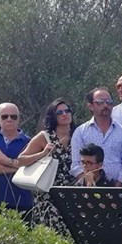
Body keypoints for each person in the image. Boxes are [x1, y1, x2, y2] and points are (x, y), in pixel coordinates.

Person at [17, 98, 76, 236]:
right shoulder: (45, 137)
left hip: (72, 195)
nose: (64, 114)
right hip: (49, 195)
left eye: (67, 111)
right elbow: (21, 160)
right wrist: (43, 153)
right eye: (59, 112)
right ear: (53, 117)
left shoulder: (78, 135)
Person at [70, 87, 122, 187]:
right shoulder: (80, 132)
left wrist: (117, 188)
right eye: (100, 102)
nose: (105, 105)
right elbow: (76, 164)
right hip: (88, 190)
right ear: (91, 106)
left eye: (109, 102)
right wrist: (88, 184)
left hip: (118, 190)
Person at [0, 103, 32, 221]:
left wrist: (5, 161)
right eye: (4, 116)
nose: (9, 119)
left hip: (22, 201)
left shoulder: (28, 141)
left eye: (13, 116)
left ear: (18, 119)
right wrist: (17, 167)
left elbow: (31, 169)